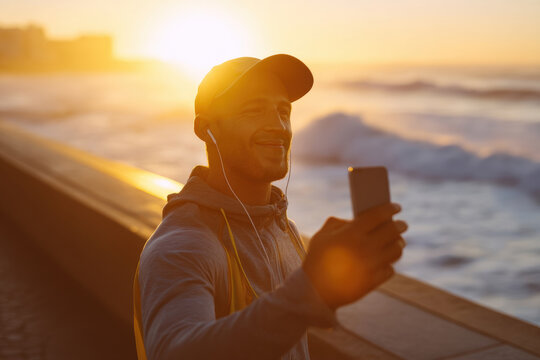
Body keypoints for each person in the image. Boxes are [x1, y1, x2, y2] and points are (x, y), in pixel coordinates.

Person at [133, 54, 407, 360]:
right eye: (254, 111)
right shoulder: (184, 246)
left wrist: (332, 283)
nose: (278, 126)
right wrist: (310, 290)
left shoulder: (281, 229)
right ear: (206, 129)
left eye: (283, 111)